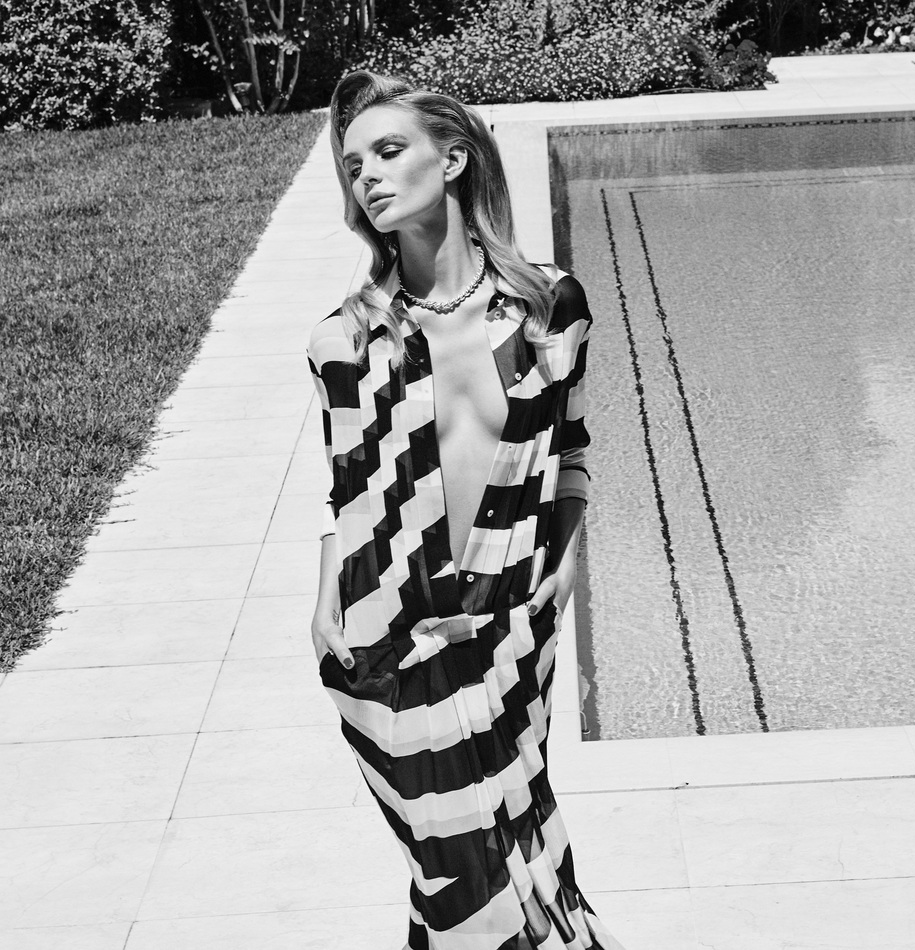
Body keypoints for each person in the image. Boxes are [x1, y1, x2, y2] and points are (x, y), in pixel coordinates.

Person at [306, 70, 623, 950]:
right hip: (384, 632)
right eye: (354, 164)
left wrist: (563, 566)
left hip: (511, 619)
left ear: (452, 160)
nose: (368, 176)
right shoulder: (344, 338)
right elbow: (344, 490)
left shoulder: (548, 306)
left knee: (514, 847)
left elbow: (572, 451)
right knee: (456, 872)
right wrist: (324, 607)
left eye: (388, 151)